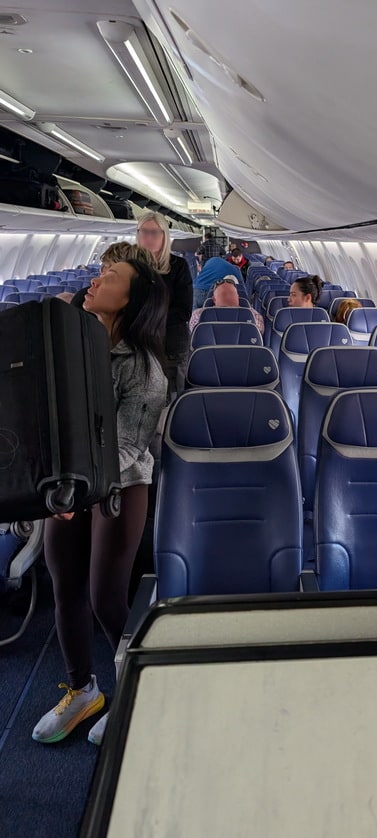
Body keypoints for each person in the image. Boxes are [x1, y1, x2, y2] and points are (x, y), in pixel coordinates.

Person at [32, 258, 168, 746]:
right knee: (63, 585)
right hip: (71, 480)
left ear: (130, 301)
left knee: (104, 594)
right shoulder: (71, 348)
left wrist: (77, 491)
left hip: (122, 482)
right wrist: (54, 485)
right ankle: (82, 688)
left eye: (109, 278)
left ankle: (135, 688)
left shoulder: (147, 370)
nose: (94, 281)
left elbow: (128, 448)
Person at [136, 211, 193, 396]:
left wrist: (148, 318)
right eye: (144, 232)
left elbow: (184, 311)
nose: (148, 237)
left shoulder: (178, 266)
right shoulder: (131, 267)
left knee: (170, 394)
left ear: (164, 236)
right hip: (138, 343)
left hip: (171, 343)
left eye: (154, 233)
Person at [189, 277, 264, 335]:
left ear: (214, 299)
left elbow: (194, 335)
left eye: (231, 294)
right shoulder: (253, 315)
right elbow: (259, 334)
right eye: (224, 294)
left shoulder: (199, 315)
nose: (228, 297)